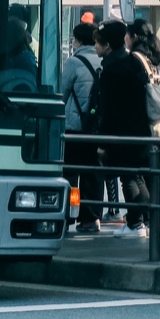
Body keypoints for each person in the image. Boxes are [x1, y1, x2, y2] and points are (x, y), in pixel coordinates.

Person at [93, 19, 155, 237]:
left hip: (121, 132)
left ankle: (135, 223)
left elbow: (109, 109)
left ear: (108, 45)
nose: (96, 47)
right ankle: (142, 220)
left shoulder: (111, 70)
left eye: (98, 43)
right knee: (137, 176)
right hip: (139, 129)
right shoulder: (133, 62)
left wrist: (103, 141)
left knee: (128, 177)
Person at [60, 20, 105, 234]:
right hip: (96, 128)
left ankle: (68, 215)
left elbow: (62, 93)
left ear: (78, 40)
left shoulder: (73, 63)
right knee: (93, 173)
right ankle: (92, 218)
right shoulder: (103, 61)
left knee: (69, 173)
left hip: (74, 127)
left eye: (74, 40)